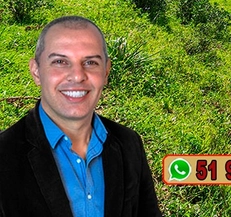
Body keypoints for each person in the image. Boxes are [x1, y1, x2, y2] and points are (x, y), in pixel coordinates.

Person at [0, 15, 162, 217]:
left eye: (91, 62)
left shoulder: (129, 143)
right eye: (60, 61)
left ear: (106, 72)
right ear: (36, 71)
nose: (77, 76)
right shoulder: (4, 155)